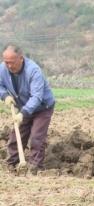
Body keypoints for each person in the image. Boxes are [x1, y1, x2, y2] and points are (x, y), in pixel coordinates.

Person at [0, 44, 55, 174]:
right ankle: (12, 163)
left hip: (42, 107)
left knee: (36, 137)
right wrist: (5, 95)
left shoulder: (33, 71)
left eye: (12, 62)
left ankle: (35, 167)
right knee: (16, 135)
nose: (9, 66)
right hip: (23, 106)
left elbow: (37, 97)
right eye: (6, 62)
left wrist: (23, 113)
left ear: (21, 58)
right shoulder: (3, 69)